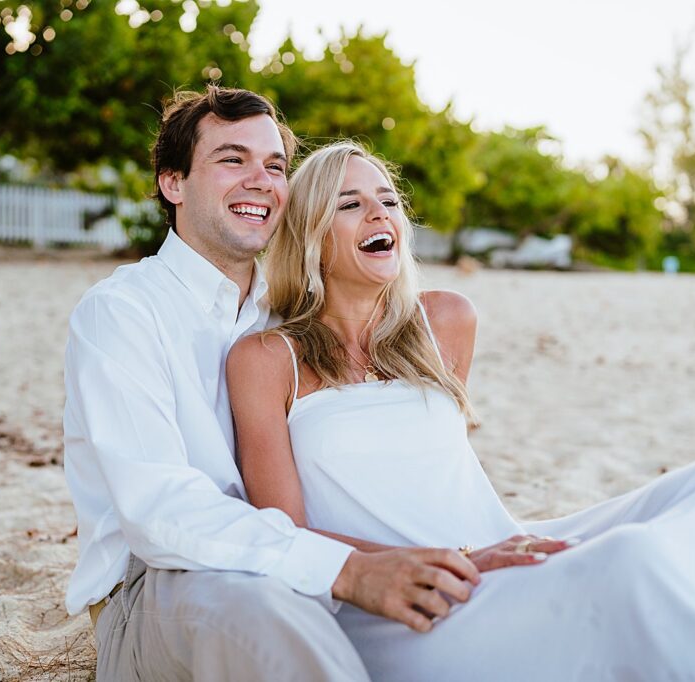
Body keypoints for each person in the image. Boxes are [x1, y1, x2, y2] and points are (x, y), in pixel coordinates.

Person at [226, 141, 695, 681]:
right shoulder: (266, 358)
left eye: (388, 200)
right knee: (629, 561)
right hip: (402, 601)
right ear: (312, 234)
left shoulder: (441, 322)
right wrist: (456, 558)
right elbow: (282, 530)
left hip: (494, 549)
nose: (379, 212)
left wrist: (490, 546)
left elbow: (436, 474)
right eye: (350, 203)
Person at [62, 88, 502, 681]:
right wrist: (344, 569)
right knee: (263, 612)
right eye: (231, 159)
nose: (260, 180)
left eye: (274, 166)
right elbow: (160, 514)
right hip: (163, 584)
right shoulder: (123, 313)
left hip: (291, 564)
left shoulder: (286, 321)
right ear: (173, 183)